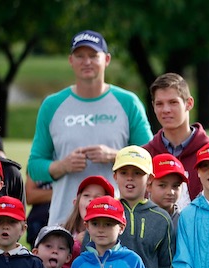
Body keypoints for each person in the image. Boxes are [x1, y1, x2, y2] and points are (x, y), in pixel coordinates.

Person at [28, 30, 152, 229]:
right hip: (64, 223)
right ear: (71, 60)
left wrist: (115, 156)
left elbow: (149, 156)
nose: (87, 62)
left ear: (107, 59)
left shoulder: (128, 102)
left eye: (93, 55)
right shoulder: (52, 105)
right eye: (80, 56)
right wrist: (63, 166)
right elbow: (34, 167)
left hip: (116, 224)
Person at [142, 73, 209, 205]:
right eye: (159, 104)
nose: (166, 109)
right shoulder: (144, 156)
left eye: (173, 102)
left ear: (189, 103)